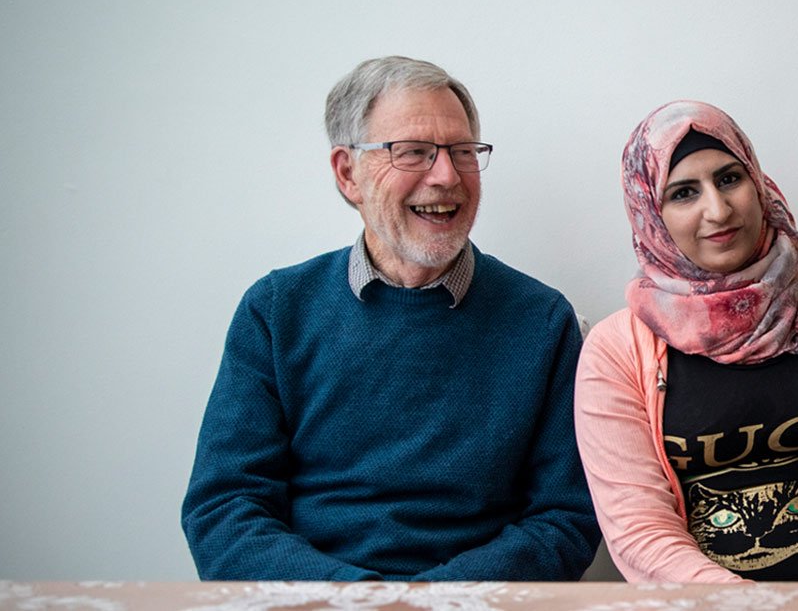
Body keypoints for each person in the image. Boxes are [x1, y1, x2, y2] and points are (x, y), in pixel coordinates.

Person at [181, 57, 598, 581]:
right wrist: (356, 600)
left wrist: (431, 601)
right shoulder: (276, 310)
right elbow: (223, 509)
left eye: (462, 152)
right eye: (413, 153)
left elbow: (566, 519)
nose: (446, 176)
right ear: (347, 172)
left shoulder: (541, 321)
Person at [574, 100, 798, 582]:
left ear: (757, 182)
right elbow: (640, 533)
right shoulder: (617, 348)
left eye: (729, 179)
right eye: (683, 193)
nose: (718, 210)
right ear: (649, 214)